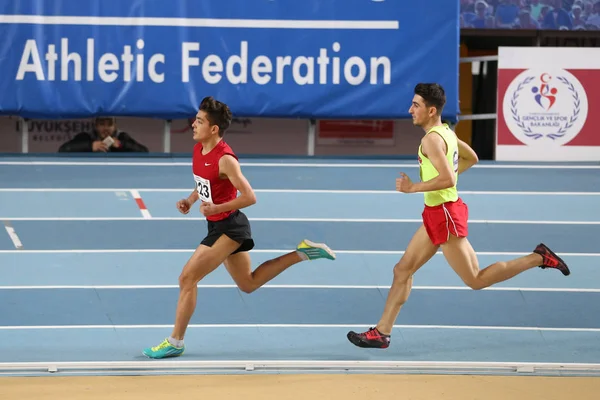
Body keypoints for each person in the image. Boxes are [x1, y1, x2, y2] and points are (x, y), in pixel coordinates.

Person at [346, 83, 570, 349]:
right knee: (402, 270)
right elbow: (471, 158)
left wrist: (413, 187)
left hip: (444, 216)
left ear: (431, 110)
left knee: (476, 279)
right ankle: (382, 332)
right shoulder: (446, 132)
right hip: (435, 213)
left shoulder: (431, 139)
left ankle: (538, 258)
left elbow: (448, 177)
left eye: (415, 105)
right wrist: (439, 182)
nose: (410, 110)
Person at [143, 96, 336, 359]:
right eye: (195, 119)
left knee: (187, 278)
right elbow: (206, 183)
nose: (193, 125)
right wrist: (190, 200)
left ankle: (175, 341)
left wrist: (216, 209)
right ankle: (302, 253)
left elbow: (250, 197)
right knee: (248, 283)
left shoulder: (226, 159)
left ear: (214, 129)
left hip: (229, 227)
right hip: (217, 225)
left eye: (199, 121)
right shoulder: (199, 150)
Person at [58, 117, 148, 153]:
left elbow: (144, 151)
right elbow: (63, 149)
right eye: (102, 124)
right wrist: (90, 146)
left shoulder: (121, 137)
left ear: (115, 126)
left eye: (109, 124)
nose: (106, 128)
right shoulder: (87, 137)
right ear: (96, 126)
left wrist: (121, 145)